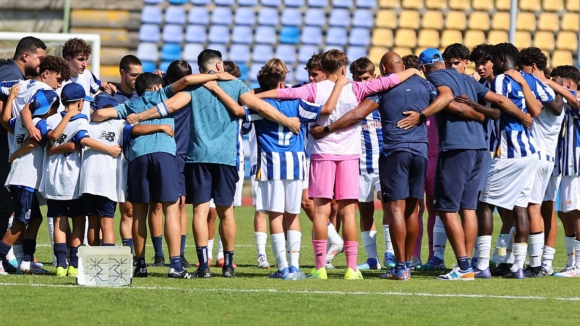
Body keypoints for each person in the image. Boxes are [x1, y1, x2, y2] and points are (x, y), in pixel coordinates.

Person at [124, 49, 301, 279]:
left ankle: (203, 267)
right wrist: (288, 121)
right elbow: (262, 107)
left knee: (200, 210)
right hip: (227, 158)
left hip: (198, 157)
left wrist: (139, 117)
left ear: (201, 69)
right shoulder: (236, 85)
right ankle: (228, 265)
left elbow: (169, 107)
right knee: (226, 212)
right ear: (219, 66)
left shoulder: (195, 87)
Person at [259, 49, 422, 280]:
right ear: (344, 69)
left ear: (323, 69)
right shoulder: (356, 88)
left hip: (322, 154)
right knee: (348, 213)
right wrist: (412, 70)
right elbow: (390, 80)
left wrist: (256, 95)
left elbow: (283, 93)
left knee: (321, 213)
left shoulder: (312, 88)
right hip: (349, 155)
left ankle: (320, 268)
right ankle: (351, 268)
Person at [398, 47, 527, 280]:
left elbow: (446, 98)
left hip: (457, 147)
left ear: (424, 68)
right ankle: (467, 266)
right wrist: (523, 115)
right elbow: (498, 101)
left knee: (446, 209)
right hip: (480, 149)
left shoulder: (435, 78)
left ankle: (464, 265)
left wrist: (422, 115)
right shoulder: (466, 80)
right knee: (468, 208)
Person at [312, 52, 437, 280]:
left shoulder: (383, 88)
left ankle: (400, 266)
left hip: (395, 151)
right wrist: (423, 114)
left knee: (395, 209)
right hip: (421, 151)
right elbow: (444, 97)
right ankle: (406, 263)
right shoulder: (424, 84)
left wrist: (328, 129)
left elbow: (357, 114)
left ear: (383, 68)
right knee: (413, 209)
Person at [248, 65, 346, 279]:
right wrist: (338, 85)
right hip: (296, 163)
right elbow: (327, 110)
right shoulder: (298, 104)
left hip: (270, 164)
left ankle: (282, 267)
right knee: (293, 215)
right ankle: (294, 266)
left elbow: (245, 123)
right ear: (282, 84)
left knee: (275, 215)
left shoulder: (259, 105)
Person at [475, 43, 555, 279]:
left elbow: (500, 104)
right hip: (531, 152)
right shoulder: (531, 80)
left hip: (509, 150)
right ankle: (517, 266)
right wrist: (523, 83)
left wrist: (519, 114)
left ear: (500, 59)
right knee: (521, 207)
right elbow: (539, 108)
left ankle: (481, 265)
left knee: (485, 205)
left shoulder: (501, 79)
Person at [39, 82, 121, 277]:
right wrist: (109, 148)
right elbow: (82, 140)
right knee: (78, 221)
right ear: (80, 102)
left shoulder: (50, 120)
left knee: (59, 220)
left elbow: (48, 143)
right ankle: (74, 263)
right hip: (74, 178)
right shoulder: (81, 121)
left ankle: (60, 263)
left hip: (52, 177)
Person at [518, 47, 576, 277]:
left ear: (532, 67)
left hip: (542, 158)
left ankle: (540, 263)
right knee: (543, 208)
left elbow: (558, 105)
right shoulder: (550, 89)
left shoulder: (548, 90)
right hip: (550, 158)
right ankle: (541, 261)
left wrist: (540, 83)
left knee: (538, 208)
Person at [0, 88, 65, 274]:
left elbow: (5, 119)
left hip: (23, 177)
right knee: (21, 221)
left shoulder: (21, 121)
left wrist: (12, 97)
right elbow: (47, 138)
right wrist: (69, 117)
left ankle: (26, 262)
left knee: (35, 218)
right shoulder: (38, 122)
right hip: (24, 178)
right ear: (49, 108)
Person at [340, 57, 389, 271]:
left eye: (366, 78)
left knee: (389, 208)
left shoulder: (384, 101)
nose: (362, 83)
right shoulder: (350, 102)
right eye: (358, 79)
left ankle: (391, 253)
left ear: (375, 77)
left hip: (383, 165)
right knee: (365, 211)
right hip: (359, 166)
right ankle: (372, 258)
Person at [0, 36, 46, 260]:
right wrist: (24, 133)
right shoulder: (10, 76)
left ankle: (21, 258)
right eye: (39, 57)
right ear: (25, 56)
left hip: (10, 150)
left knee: (26, 213)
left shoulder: (16, 75)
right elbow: (2, 110)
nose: (41, 63)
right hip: (6, 151)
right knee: (9, 208)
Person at [91, 54, 142, 258]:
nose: (137, 79)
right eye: (133, 74)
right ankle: (101, 254)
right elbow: (95, 116)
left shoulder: (143, 96)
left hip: (134, 159)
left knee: (129, 209)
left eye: (140, 75)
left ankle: (128, 253)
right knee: (104, 213)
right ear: (122, 72)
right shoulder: (107, 95)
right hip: (110, 160)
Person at [552, 66, 580, 277]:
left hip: (576, 162)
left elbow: (575, 102)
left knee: (576, 212)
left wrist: (546, 82)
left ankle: (578, 265)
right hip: (566, 163)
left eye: (556, 80)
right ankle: (572, 262)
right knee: (564, 212)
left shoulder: (576, 98)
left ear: (568, 83)